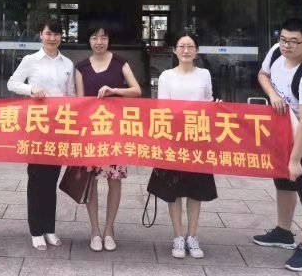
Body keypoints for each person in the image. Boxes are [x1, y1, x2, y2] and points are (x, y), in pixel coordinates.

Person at [252, 18, 302, 272]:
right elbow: (263, 75)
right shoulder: (276, 52)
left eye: (293, 42)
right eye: (283, 39)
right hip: (283, 130)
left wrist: (296, 159)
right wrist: (273, 95)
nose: (286, 45)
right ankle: (283, 232)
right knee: (283, 181)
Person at [7, 18, 75, 251]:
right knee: (36, 178)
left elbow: (70, 94)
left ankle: (49, 229)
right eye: (48, 33)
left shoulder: (67, 63)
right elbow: (12, 83)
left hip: (58, 127)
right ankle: (36, 230)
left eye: (56, 34)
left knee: (51, 179)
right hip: (36, 126)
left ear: (61, 37)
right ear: (41, 35)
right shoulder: (30, 60)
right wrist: (31, 89)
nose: (52, 38)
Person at [74, 26, 142, 252]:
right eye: (94, 37)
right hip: (91, 132)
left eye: (103, 37)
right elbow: (80, 101)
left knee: (114, 180)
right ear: (88, 40)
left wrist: (114, 90)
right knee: (90, 181)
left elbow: (136, 90)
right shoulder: (81, 67)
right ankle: (94, 230)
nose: (99, 41)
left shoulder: (120, 63)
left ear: (109, 39)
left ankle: (109, 230)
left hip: (115, 131)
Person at [157, 33, 218, 260]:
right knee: (174, 191)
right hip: (174, 139)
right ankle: (178, 236)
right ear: (174, 50)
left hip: (198, 139)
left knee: (195, 190)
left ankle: (192, 236)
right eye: (181, 46)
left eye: (190, 46)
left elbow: (209, 101)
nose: (185, 50)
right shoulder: (166, 76)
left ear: (196, 51)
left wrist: (216, 107)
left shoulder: (204, 74)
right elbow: (163, 108)